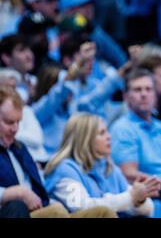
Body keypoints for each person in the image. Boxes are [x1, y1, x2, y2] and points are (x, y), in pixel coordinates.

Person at [0, 85, 116, 218]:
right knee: (55, 212)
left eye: (18, 122)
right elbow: (79, 205)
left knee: (103, 213)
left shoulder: (19, 148)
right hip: (14, 212)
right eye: (9, 122)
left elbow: (40, 193)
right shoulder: (66, 168)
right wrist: (14, 193)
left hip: (39, 210)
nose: (15, 129)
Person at [44, 113, 161, 217]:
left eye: (107, 131)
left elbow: (149, 208)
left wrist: (139, 199)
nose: (109, 137)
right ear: (85, 139)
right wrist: (130, 197)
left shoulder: (111, 169)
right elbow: (82, 207)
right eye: (102, 133)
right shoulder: (66, 169)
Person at [110, 68, 161, 182]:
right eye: (137, 90)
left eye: (148, 89)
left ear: (155, 95)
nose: (144, 94)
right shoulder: (122, 128)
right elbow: (129, 174)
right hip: (145, 195)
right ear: (126, 96)